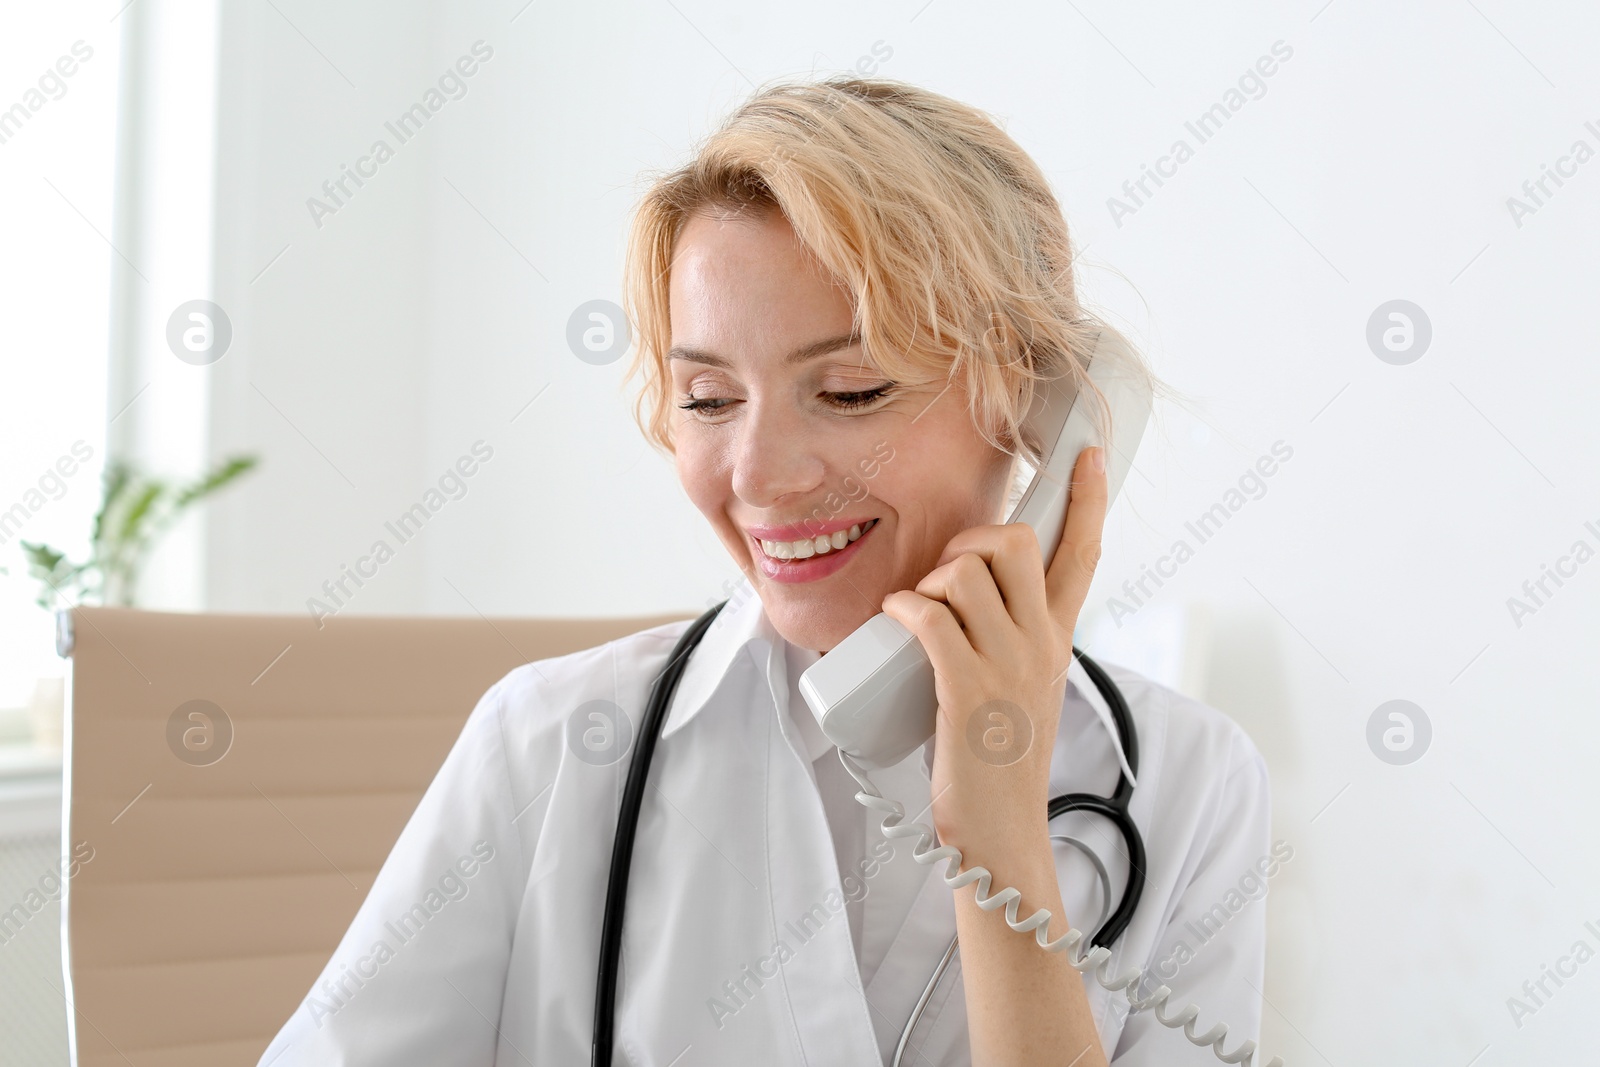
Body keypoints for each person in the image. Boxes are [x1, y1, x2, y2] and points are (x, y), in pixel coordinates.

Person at [257, 75, 1272, 1066]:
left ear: (1033, 400)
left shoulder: (1190, 784)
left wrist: (1000, 837)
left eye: (848, 388)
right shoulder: (547, 744)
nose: (757, 475)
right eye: (706, 398)